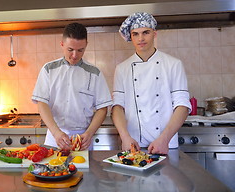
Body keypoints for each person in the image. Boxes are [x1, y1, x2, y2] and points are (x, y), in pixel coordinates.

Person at [112, 12, 191, 155]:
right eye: (135, 34)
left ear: (155, 33)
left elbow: (183, 106)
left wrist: (164, 139)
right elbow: (117, 107)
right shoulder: (122, 69)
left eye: (145, 32)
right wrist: (125, 137)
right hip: (133, 144)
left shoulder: (173, 64)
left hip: (165, 144)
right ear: (131, 37)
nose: (141, 38)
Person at [32, 22, 112, 150]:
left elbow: (102, 108)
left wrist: (89, 133)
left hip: (83, 137)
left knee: (83, 170)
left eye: (80, 50)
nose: (75, 55)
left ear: (86, 45)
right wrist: (56, 133)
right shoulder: (48, 69)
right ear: (62, 44)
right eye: (70, 50)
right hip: (55, 136)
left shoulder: (95, 73)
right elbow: (42, 103)